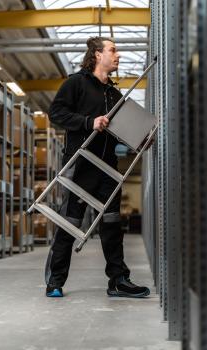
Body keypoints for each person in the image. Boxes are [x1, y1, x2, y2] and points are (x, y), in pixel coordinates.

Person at [45, 36, 150, 299]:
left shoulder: (114, 94)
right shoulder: (76, 84)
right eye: (113, 50)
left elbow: (121, 130)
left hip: (108, 168)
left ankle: (118, 280)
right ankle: (55, 281)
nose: (118, 55)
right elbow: (56, 113)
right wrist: (88, 122)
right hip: (81, 165)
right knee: (70, 224)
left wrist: (140, 139)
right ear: (96, 55)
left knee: (112, 224)